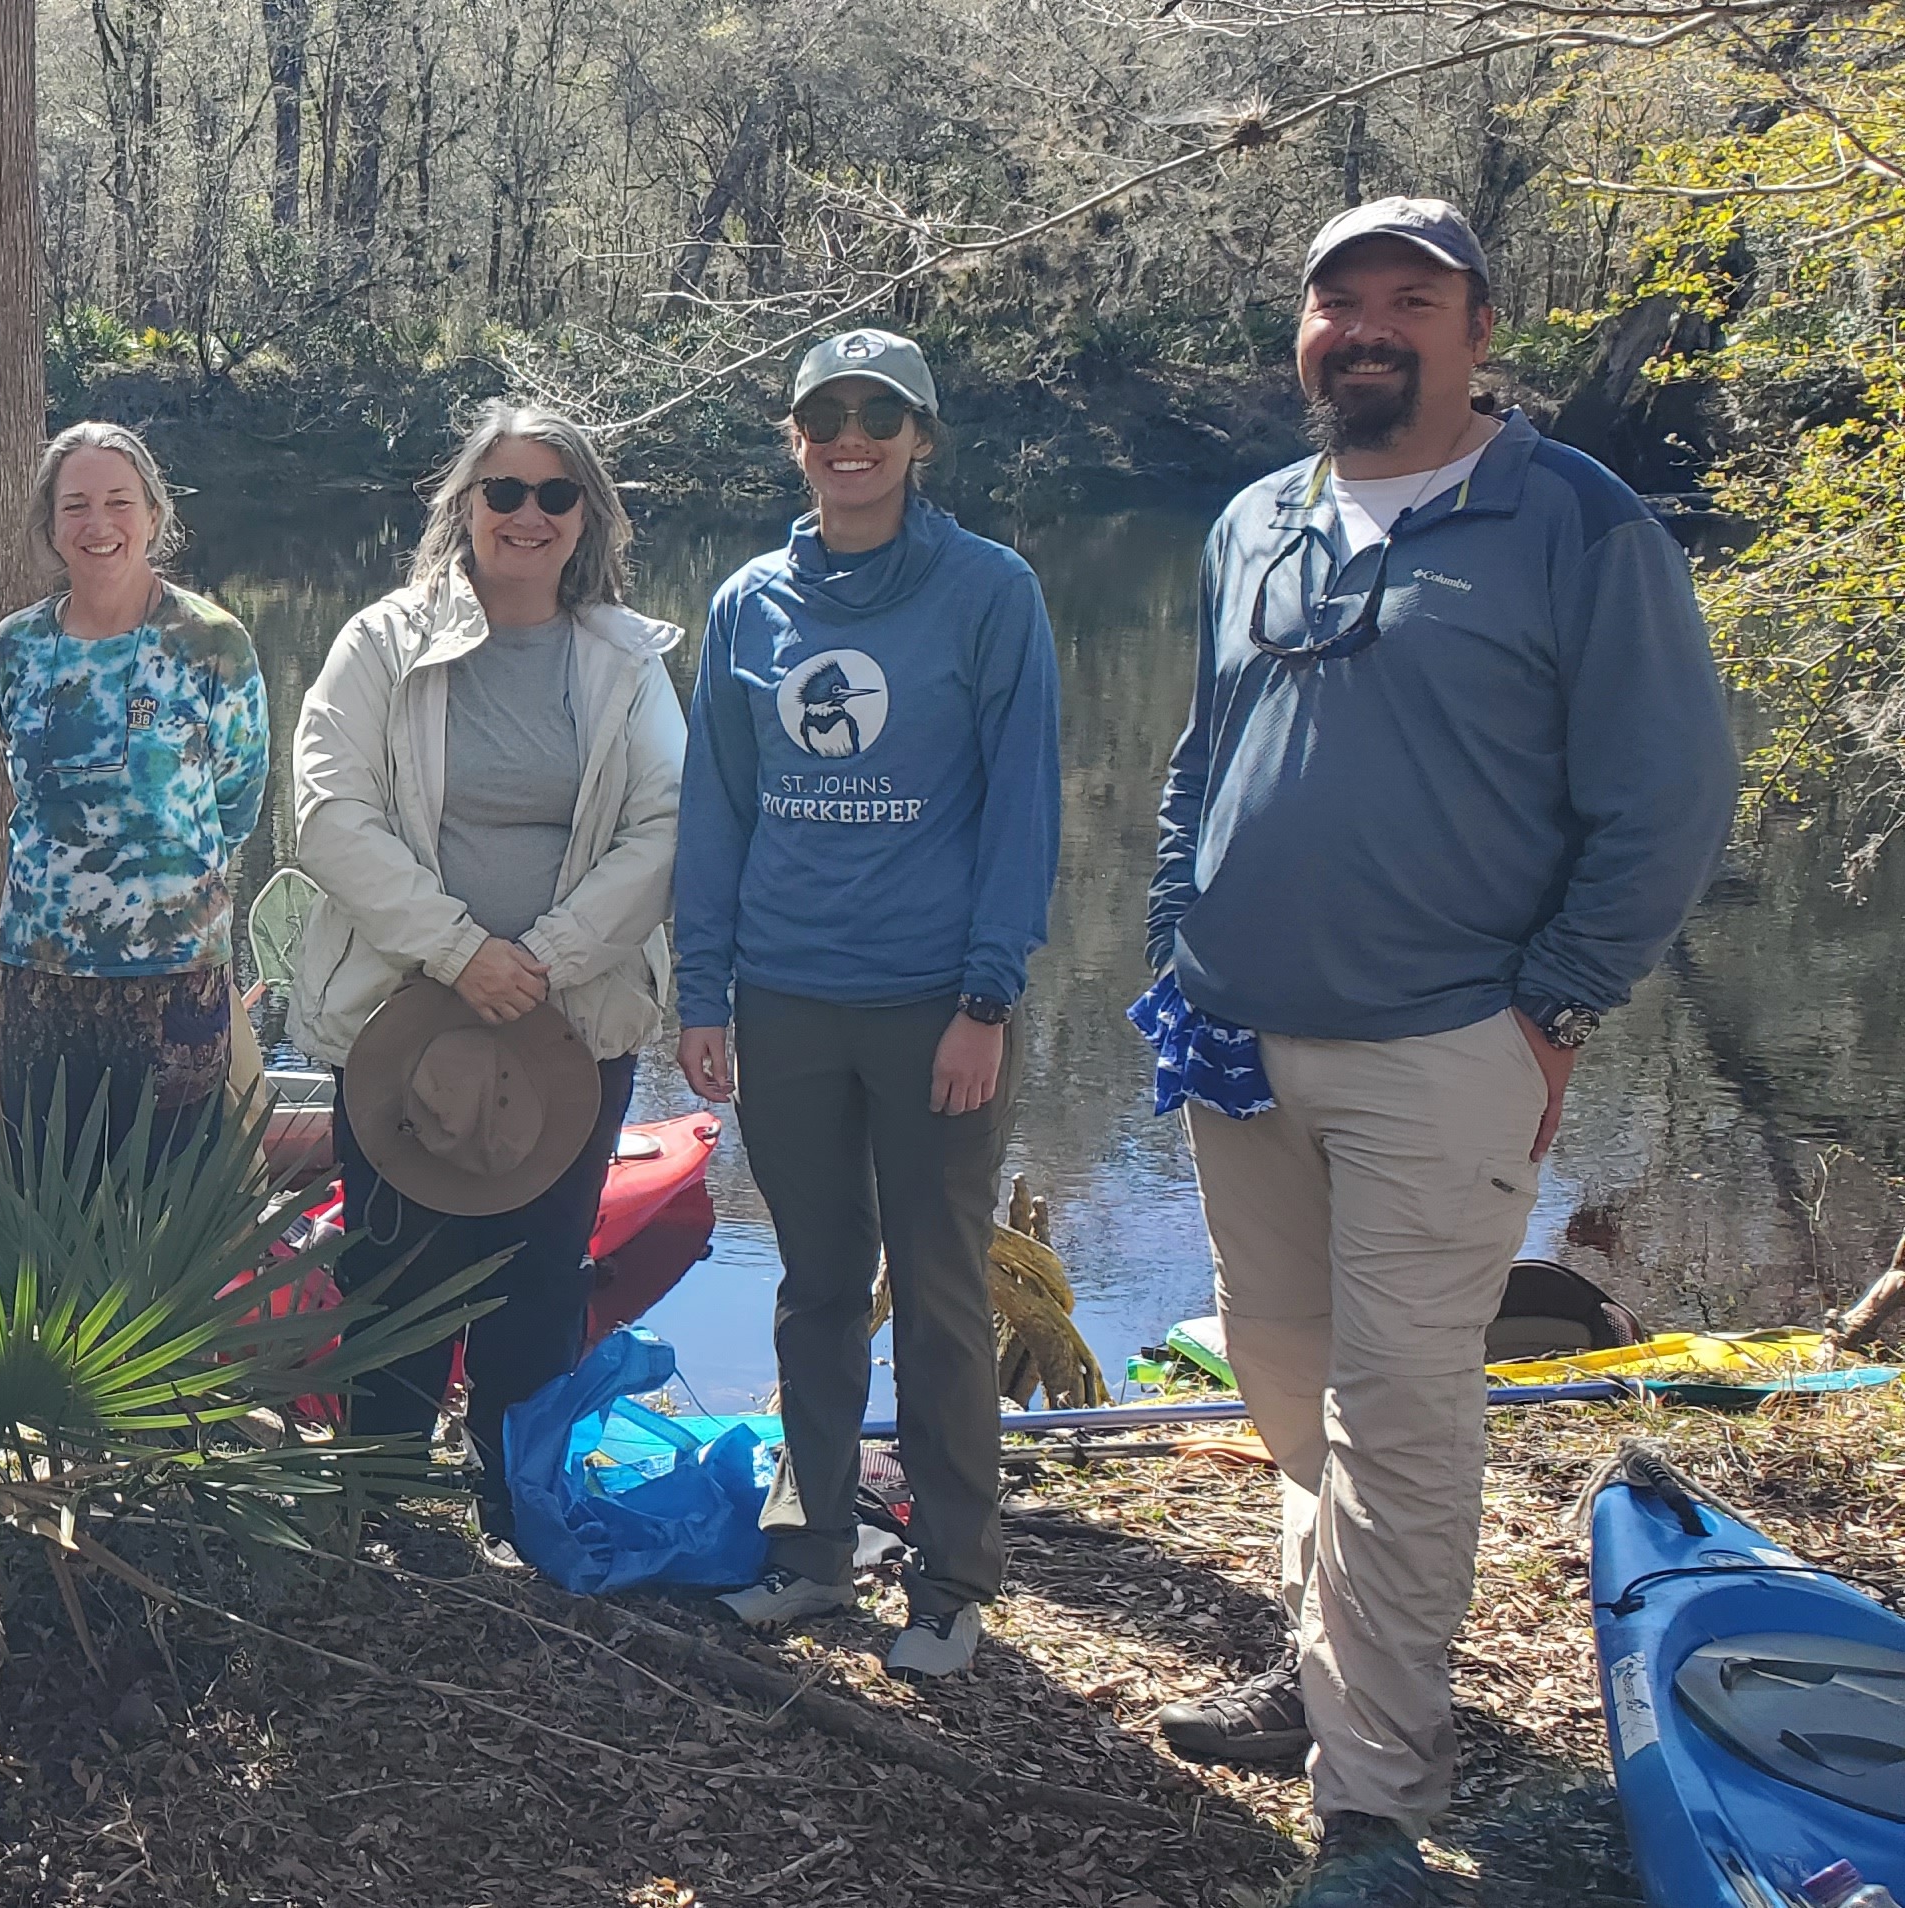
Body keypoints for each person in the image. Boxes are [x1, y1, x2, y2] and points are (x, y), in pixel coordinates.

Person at [1142, 199, 1737, 1905]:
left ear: (1479, 331)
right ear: (1302, 333)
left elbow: (1667, 794)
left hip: (1440, 1047)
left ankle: (1374, 1804)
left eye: (1413, 299)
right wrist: (1183, 927)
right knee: (1276, 1374)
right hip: (1239, 1037)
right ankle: (1323, 1668)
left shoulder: (1572, 523)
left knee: (1396, 1412)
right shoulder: (1255, 518)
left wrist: (1550, 1005)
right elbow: (1202, 758)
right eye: (1340, 302)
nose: (1370, 327)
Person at [670, 329, 1063, 1680]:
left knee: (945, 1291)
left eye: (878, 416)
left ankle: (952, 1580)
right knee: (816, 1284)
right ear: (796, 437)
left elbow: (1024, 810)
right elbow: (715, 812)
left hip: (932, 1007)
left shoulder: (988, 594)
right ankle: (814, 1550)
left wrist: (988, 997)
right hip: (785, 1002)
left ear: (920, 440)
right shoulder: (747, 605)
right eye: (826, 415)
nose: (852, 437)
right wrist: (703, 990)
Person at [282, 403, 680, 1560]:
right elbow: (326, 813)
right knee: (394, 1256)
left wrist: (544, 961)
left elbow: (665, 827)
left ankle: (517, 1505)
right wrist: (461, 952)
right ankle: (378, 1500)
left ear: (586, 517)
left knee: (542, 1269)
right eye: (504, 491)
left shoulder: (627, 661)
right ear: (464, 506)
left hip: (571, 1021)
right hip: (404, 1018)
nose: (528, 514)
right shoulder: (380, 644)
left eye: (557, 494)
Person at [0, 422, 266, 1166]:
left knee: (170, 1223)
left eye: (119, 501)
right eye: (75, 505)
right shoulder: (14, 647)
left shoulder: (212, 641)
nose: (98, 524)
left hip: (173, 978)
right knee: (47, 1212)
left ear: (153, 514)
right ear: (50, 524)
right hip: (40, 977)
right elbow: (24, 786)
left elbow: (237, 800)